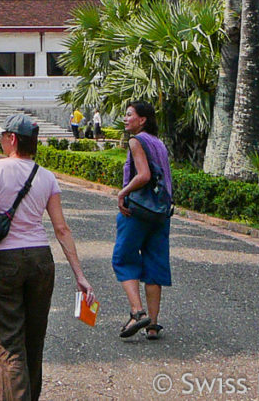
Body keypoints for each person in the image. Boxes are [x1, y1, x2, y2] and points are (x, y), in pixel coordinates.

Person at [0, 113, 94, 400]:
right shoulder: (46, 176)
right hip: (41, 259)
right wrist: (80, 276)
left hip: (5, 260)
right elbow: (61, 228)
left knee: (10, 344)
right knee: (33, 342)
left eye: (2, 137)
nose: (0, 142)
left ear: (12, 139)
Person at [114, 101, 173, 341]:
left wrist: (122, 193)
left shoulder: (136, 140)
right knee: (154, 263)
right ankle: (153, 324)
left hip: (137, 211)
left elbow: (144, 175)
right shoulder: (158, 143)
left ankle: (138, 312)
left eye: (130, 115)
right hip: (160, 212)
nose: (125, 119)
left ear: (142, 120)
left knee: (122, 258)